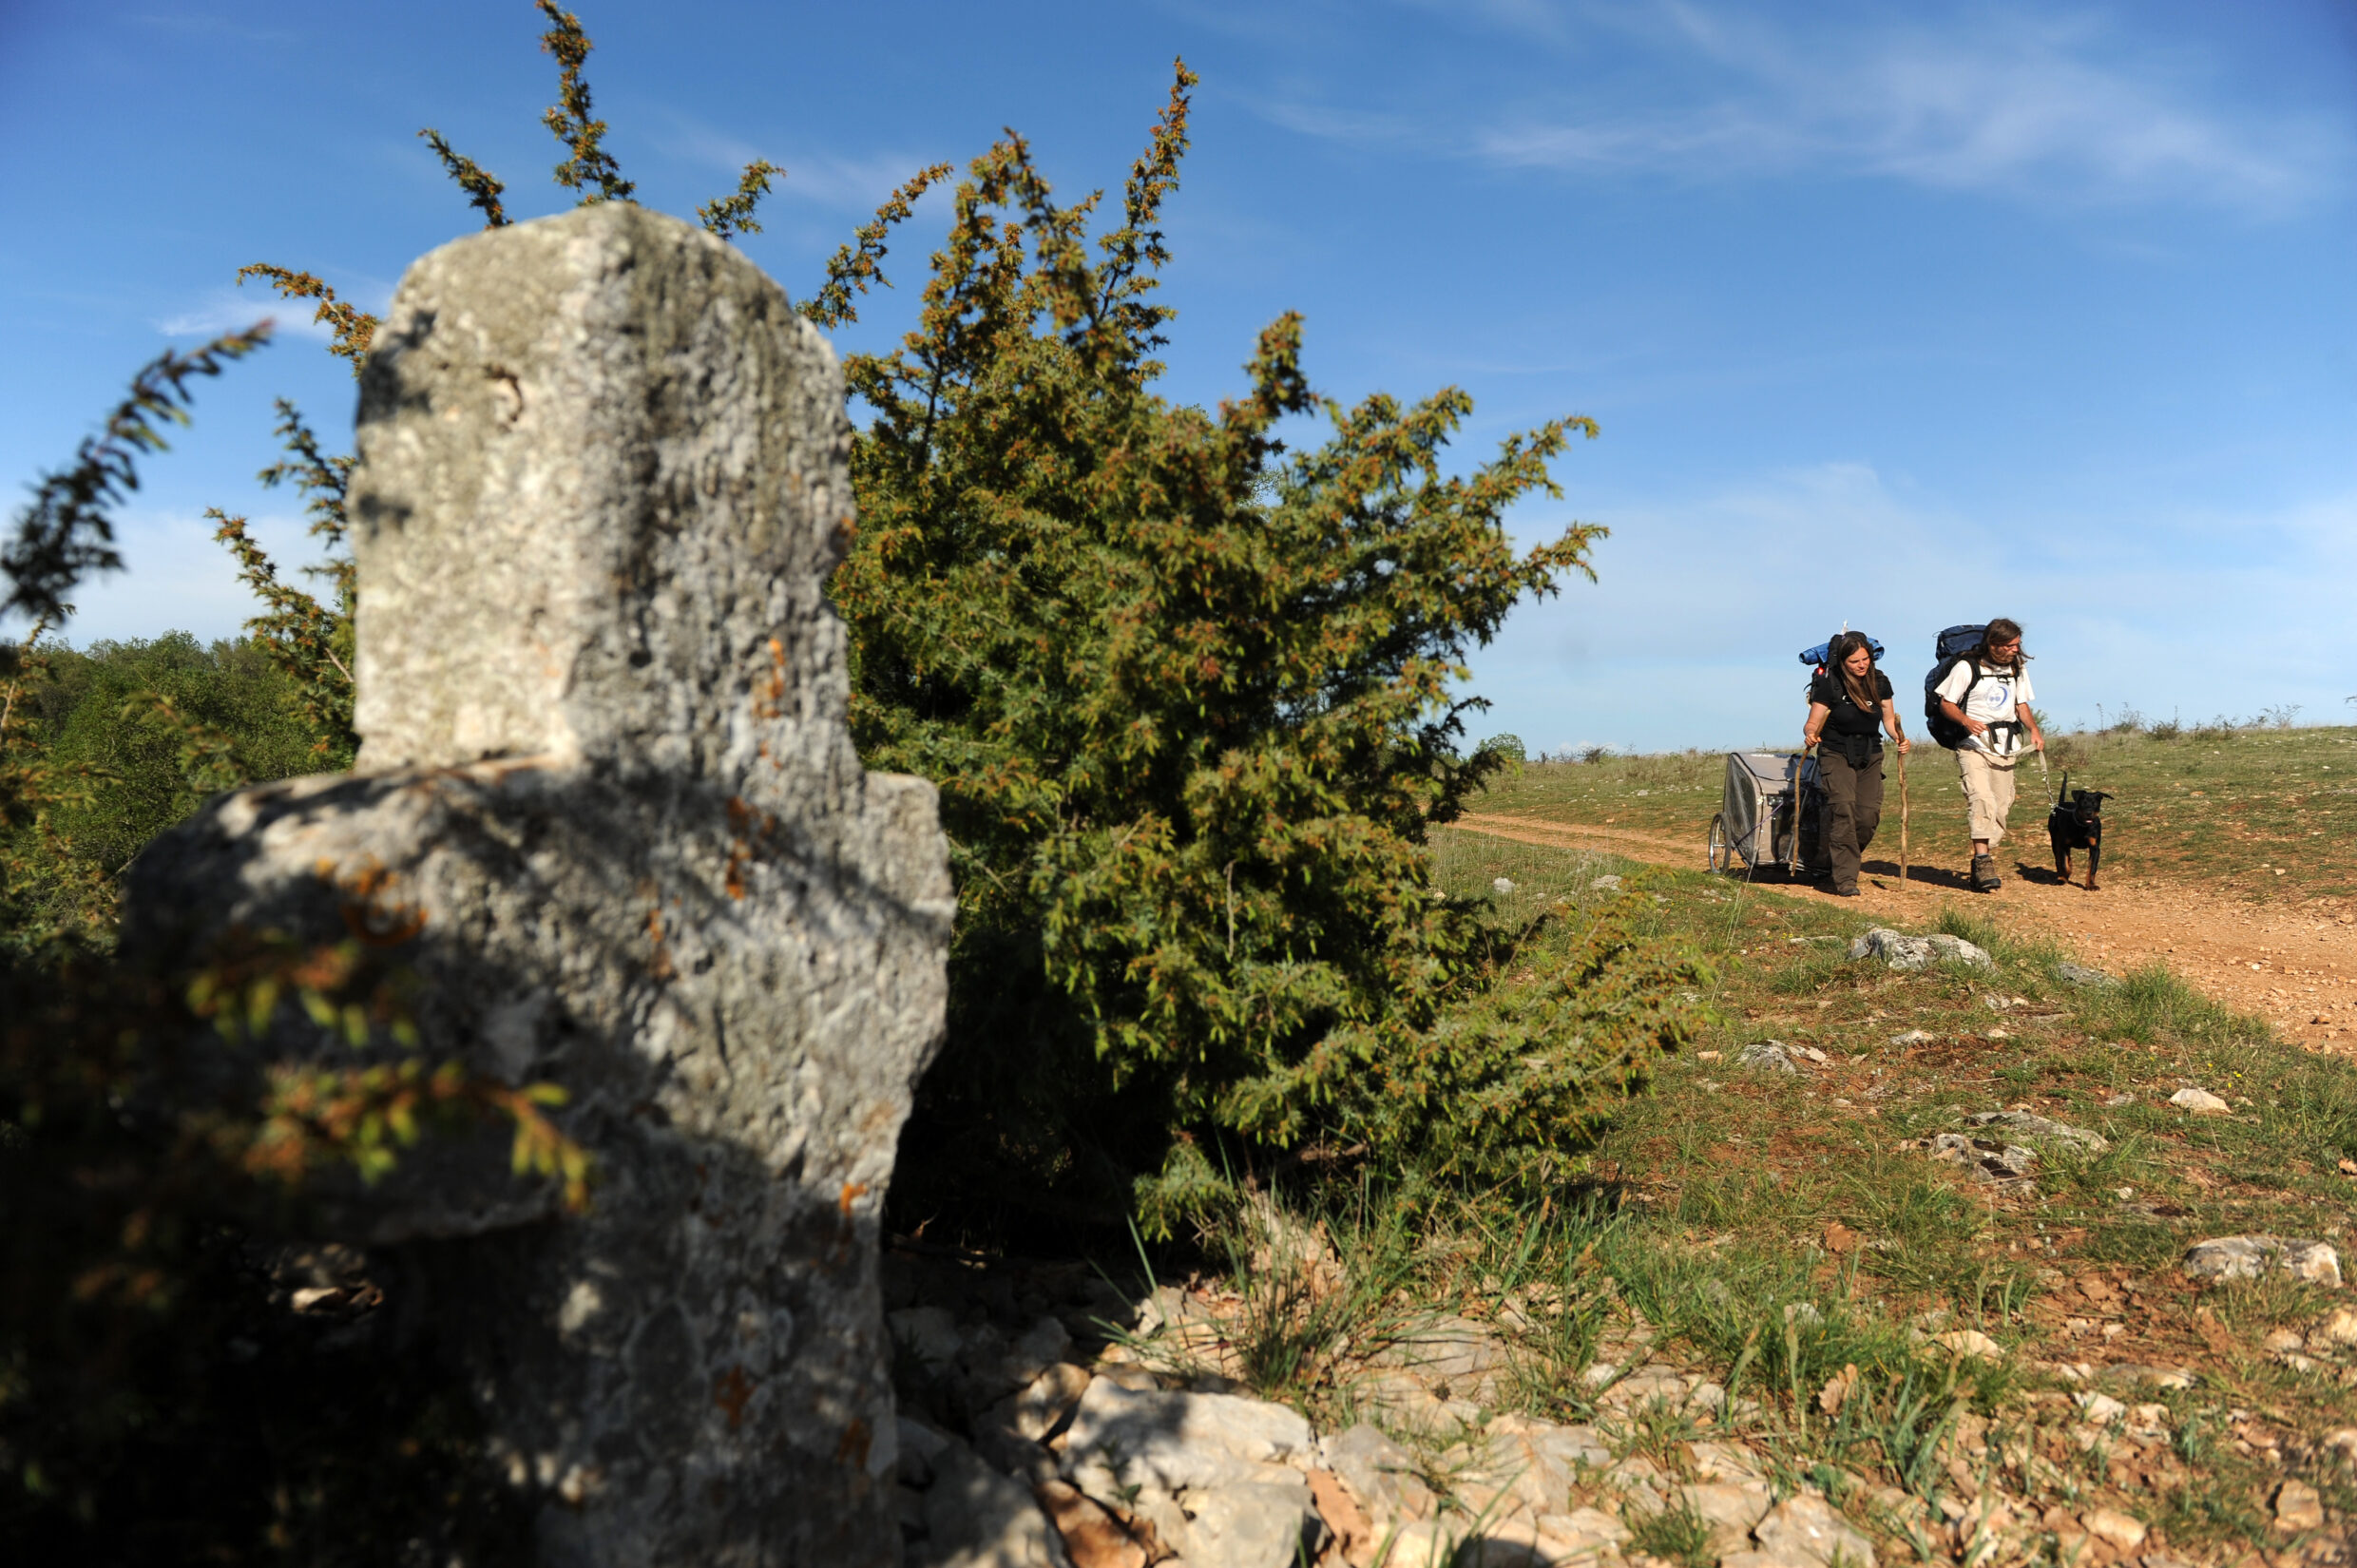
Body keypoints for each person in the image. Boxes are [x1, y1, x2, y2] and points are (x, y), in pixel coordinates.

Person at [1934, 618, 2043, 892]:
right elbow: (1946, 704)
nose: (2014, 651)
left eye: (2017, 645)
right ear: (1992, 644)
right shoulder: (1966, 667)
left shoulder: (2018, 667)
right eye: (2008, 646)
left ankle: (1980, 856)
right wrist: (1966, 721)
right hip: (1973, 745)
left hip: (2006, 745)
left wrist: (2034, 731)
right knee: (1981, 799)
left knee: (2002, 805)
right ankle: (1983, 861)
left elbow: (2021, 704)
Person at [1801, 631, 1910, 897]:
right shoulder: (1830, 684)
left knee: (1867, 817)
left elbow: (1887, 720)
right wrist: (1810, 734)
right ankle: (1846, 879)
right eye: (1854, 661)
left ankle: (1834, 859)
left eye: (1865, 659)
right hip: (1835, 753)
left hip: (1870, 754)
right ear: (1842, 662)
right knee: (1844, 810)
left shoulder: (1880, 681)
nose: (1862, 665)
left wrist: (1900, 737)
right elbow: (1813, 722)